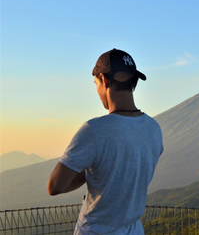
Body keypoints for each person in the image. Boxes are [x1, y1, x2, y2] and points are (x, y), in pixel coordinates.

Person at [47, 48, 163, 234]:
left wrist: (93, 171)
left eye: (96, 84)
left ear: (104, 79)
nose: (98, 91)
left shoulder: (94, 130)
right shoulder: (154, 129)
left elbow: (54, 186)